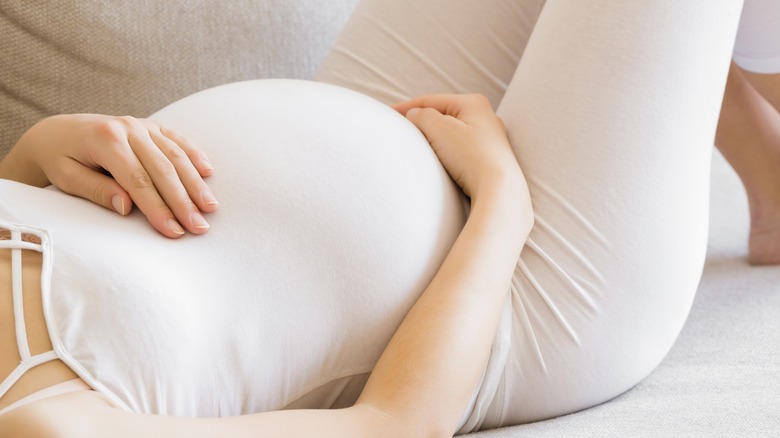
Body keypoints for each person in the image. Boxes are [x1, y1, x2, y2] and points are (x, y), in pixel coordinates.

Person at [0, 0, 777, 436]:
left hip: (384, 116)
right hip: (522, 296)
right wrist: (501, 204)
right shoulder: (46, 428)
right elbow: (394, 426)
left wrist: (40, 152)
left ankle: (756, 147)